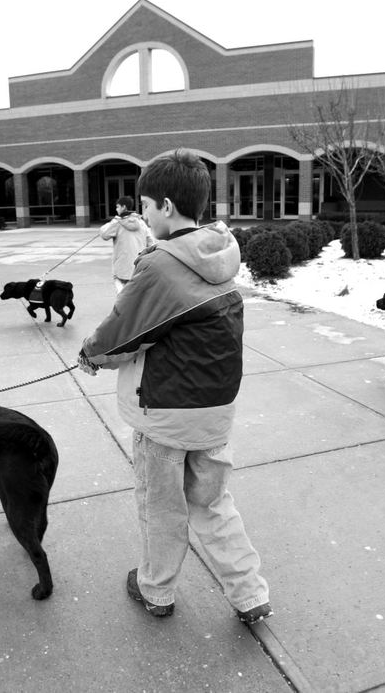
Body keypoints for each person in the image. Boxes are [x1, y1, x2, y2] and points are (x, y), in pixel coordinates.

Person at [77, 149, 272, 624]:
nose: (142, 215)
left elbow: (122, 331)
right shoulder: (220, 253)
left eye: (145, 206)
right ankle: (250, 595)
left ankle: (156, 591)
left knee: (162, 508)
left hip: (165, 414)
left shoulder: (161, 265)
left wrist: (89, 356)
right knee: (214, 504)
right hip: (214, 412)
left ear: (165, 206)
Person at [99, 195, 153, 293]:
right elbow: (151, 243)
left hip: (122, 268)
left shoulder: (118, 223)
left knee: (121, 292)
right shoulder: (141, 223)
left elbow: (104, 234)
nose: (116, 209)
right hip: (139, 266)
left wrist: (115, 220)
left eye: (117, 207)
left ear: (123, 207)